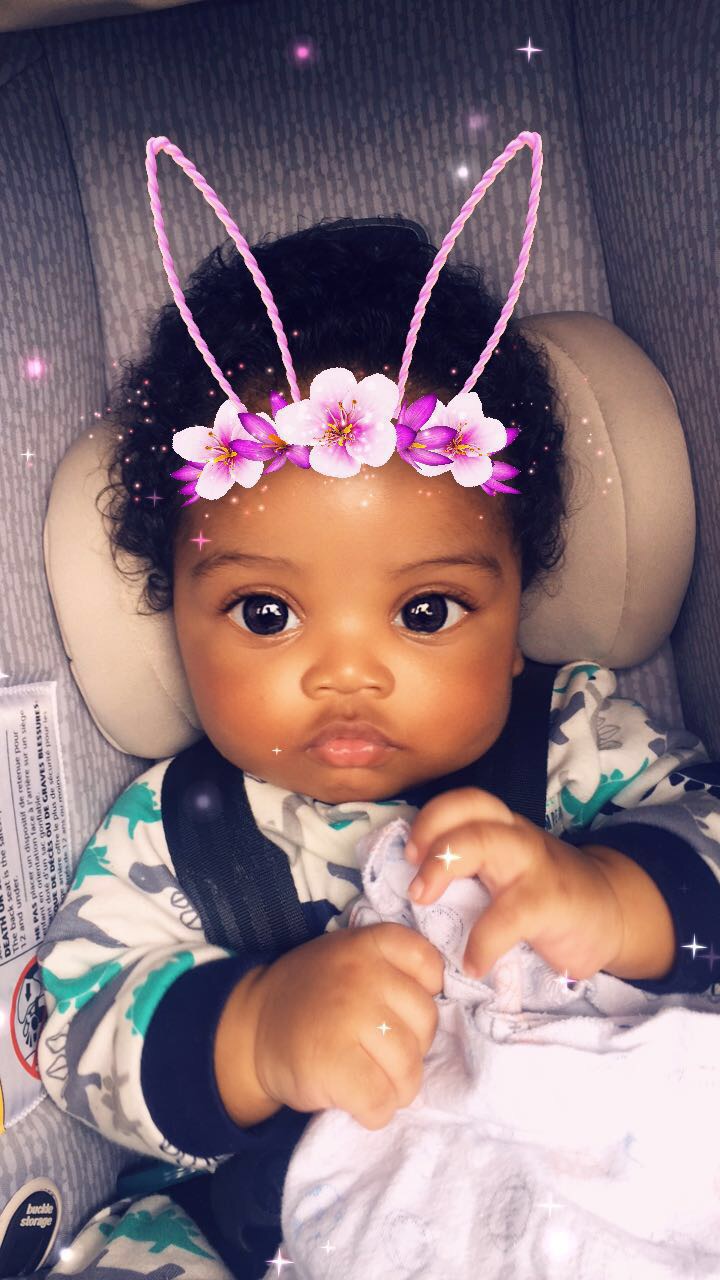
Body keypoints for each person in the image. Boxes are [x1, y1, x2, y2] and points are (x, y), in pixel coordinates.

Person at [37, 217, 720, 1280]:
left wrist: (612, 897)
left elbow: (708, 831)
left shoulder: (572, 744)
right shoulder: (177, 833)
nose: (347, 674)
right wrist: (257, 1032)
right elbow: (77, 1024)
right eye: (267, 613)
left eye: (427, 610)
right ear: (175, 615)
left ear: (517, 615)